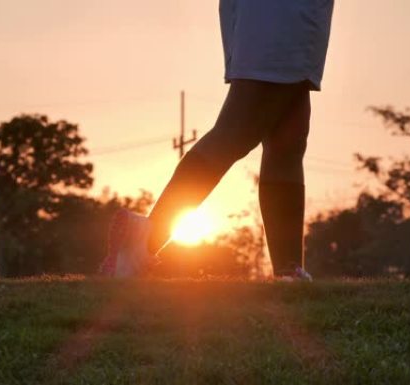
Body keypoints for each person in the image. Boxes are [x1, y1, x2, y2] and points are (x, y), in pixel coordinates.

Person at [101, 0, 335, 280]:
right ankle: (144, 241)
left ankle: (288, 271)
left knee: (289, 135)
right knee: (240, 128)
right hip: (281, 10)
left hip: (295, 12)